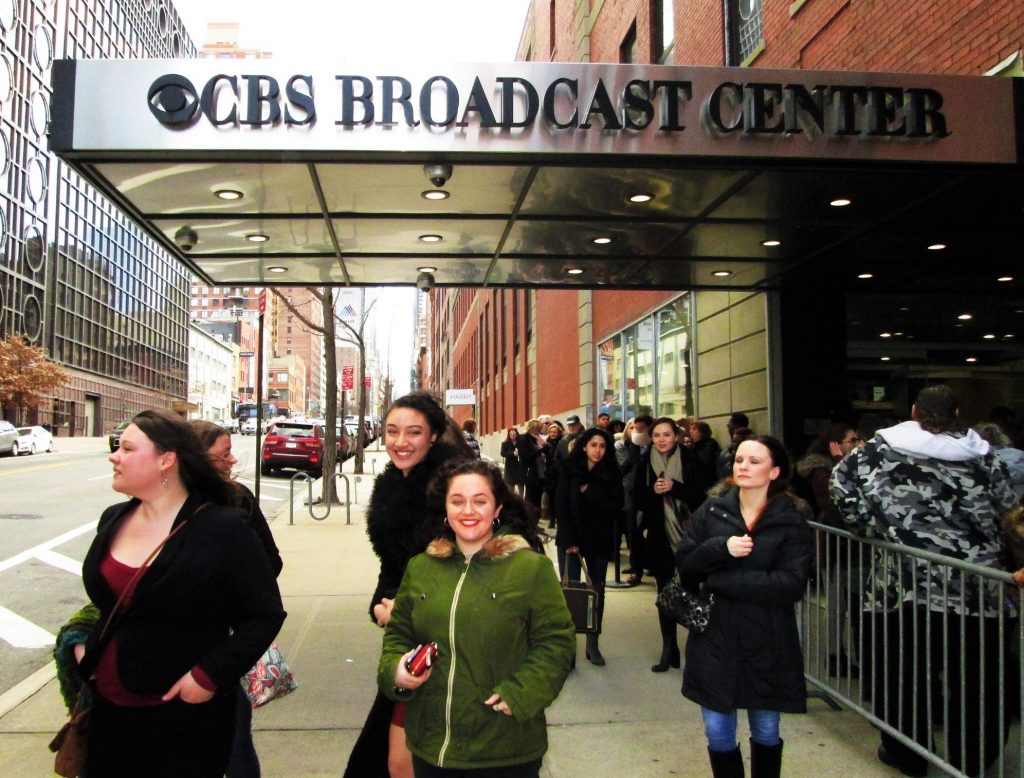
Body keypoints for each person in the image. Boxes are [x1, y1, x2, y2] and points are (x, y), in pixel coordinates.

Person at [77, 409, 286, 777]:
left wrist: (207, 677)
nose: (114, 456)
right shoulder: (113, 519)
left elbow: (264, 614)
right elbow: (112, 602)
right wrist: (82, 646)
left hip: (182, 713)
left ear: (166, 461)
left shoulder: (222, 529)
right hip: (109, 707)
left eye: (127, 448)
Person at [830, 385, 1018, 778]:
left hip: (900, 585)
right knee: (979, 681)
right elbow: (1009, 512)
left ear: (914, 411)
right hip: (976, 589)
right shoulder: (985, 458)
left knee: (896, 674)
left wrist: (871, 528)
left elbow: (841, 485)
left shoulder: (876, 451)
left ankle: (907, 752)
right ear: (958, 412)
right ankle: (971, 760)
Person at [377, 459, 575, 777]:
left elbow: (557, 641)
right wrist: (397, 672)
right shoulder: (421, 568)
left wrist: (522, 693)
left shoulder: (530, 569)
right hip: (431, 745)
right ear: (445, 508)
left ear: (497, 509)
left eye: (479, 501)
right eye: (457, 501)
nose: (468, 510)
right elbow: (399, 634)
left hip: (503, 747)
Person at [345, 392, 474, 778]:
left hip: (447, 642)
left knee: (401, 760)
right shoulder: (393, 485)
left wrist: (398, 610)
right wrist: (381, 603)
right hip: (406, 640)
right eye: (392, 431)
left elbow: (461, 571)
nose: (401, 442)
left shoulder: (451, 489)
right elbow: (393, 564)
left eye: (413, 432)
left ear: (433, 436)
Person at [677, 435, 811, 778]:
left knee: (766, 729)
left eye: (754, 461)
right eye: (739, 460)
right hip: (715, 637)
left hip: (768, 639)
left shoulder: (790, 519)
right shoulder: (712, 510)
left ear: (774, 470)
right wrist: (720, 547)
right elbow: (686, 564)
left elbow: (790, 584)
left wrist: (722, 581)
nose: (744, 467)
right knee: (717, 730)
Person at [192, 420, 283, 778]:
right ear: (195, 459)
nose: (231, 460)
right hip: (196, 646)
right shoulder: (158, 507)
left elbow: (270, 562)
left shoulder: (238, 498)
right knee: (229, 740)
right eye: (223, 454)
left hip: (227, 645)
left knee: (233, 739)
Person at [634, 417, 706, 673]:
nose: (662, 439)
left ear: (676, 436)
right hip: (658, 536)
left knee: (690, 592)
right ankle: (669, 648)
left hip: (689, 537)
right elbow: (637, 499)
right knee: (665, 593)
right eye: (657, 435)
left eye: (667, 434)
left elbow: (701, 496)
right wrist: (653, 492)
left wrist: (675, 488)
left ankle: (696, 650)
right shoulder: (644, 463)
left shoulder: (690, 459)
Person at [557, 426, 623, 666]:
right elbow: (561, 505)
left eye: (603, 446)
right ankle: (569, 647)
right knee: (571, 591)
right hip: (570, 538)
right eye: (593, 445)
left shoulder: (611, 472)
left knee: (597, 591)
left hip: (598, 538)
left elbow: (616, 505)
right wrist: (569, 540)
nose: (598, 450)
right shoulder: (569, 469)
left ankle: (593, 643)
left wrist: (590, 492)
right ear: (584, 446)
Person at [517, 418, 547, 511]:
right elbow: (524, 456)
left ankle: (536, 521)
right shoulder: (523, 438)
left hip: (540, 472)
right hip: (530, 473)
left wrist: (544, 445)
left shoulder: (536, 438)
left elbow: (547, 450)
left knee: (538, 498)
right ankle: (529, 521)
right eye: (537, 429)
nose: (538, 431)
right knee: (531, 499)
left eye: (539, 429)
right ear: (531, 428)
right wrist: (540, 450)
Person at [542, 421, 564, 528]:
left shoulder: (562, 442)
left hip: (560, 473)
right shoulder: (547, 444)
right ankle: (552, 519)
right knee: (551, 498)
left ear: (559, 433)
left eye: (555, 432)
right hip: (550, 474)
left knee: (559, 498)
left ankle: (559, 519)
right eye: (551, 432)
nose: (553, 434)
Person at [500, 428, 525, 495]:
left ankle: (521, 501)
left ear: (517, 434)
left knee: (521, 484)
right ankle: (511, 501)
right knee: (510, 485)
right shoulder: (505, 443)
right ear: (508, 435)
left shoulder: (521, 442)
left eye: (514, 433)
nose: (513, 435)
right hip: (510, 467)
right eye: (511, 434)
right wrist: (512, 453)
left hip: (520, 466)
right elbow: (502, 453)